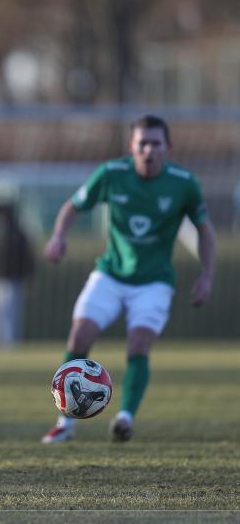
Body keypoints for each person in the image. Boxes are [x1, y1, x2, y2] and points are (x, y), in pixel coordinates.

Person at [41, 114, 216, 444]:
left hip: (154, 281)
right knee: (79, 337)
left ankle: (124, 418)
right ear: (132, 147)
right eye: (142, 144)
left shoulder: (183, 183)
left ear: (168, 147)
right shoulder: (112, 174)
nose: (149, 150)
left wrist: (207, 275)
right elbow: (73, 206)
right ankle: (64, 423)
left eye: (156, 143)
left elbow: (205, 230)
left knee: (139, 343)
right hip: (110, 273)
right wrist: (58, 236)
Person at [0, 194, 34, 350]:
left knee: (9, 321)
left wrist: (28, 279)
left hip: (11, 282)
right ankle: (1, 348)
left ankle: (9, 350)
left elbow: (27, 260)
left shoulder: (16, 234)